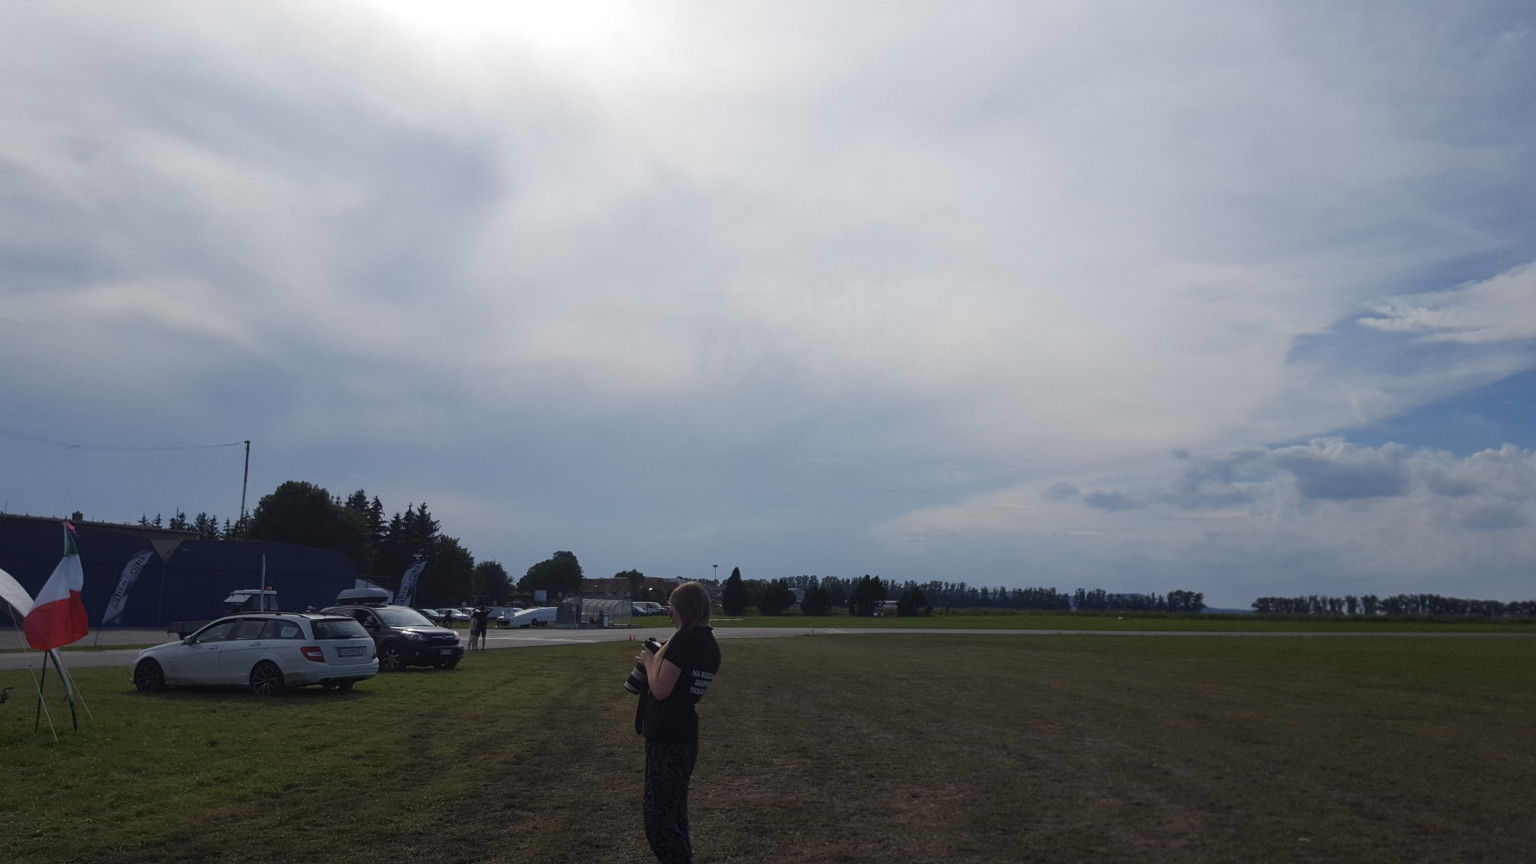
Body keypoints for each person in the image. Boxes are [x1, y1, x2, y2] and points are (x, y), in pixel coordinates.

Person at [632, 581, 720, 864]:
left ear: (684, 609)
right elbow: (695, 693)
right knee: (674, 814)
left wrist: (649, 662)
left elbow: (660, 690)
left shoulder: (684, 641)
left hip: (668, 741)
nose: (669, 614)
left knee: (659, 821)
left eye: (672, 608)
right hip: (683, 736)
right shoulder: (710, 644)